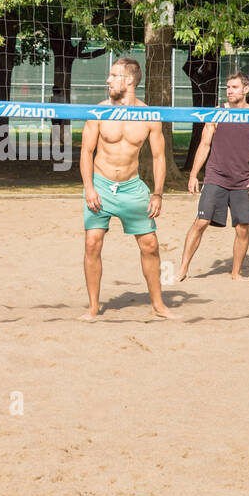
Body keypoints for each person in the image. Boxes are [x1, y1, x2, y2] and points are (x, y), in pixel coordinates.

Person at [80, 57, 172, 320]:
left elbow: (158, 157)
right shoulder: (98, 111)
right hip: (101, 184)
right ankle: (94, 307)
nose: (108, 80)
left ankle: (158, 305)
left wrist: (157, 193)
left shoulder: (148, 115)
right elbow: (86, 152)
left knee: (150, 245)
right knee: (92, 243)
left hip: (132, 187)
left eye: (113, 75)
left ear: (129, 80)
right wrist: (89, 187)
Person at [178, 71, 249, 281]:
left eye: (234, 87)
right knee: (201, 221)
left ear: (246, 89)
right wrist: (193, 175)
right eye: (227, 87)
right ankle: (183, 268)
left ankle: (235, 273)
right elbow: (204, 144)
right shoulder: (217, 112)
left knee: (242, 229)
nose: (229, 91)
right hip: (215, 176)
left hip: (242, 179)